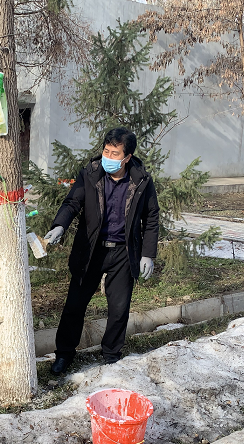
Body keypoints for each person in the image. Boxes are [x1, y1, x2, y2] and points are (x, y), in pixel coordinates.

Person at [44, 127, 159, 375]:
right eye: (106, 150)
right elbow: (73, 201)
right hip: (91, 250)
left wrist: (148, 254)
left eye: (114, 153)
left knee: (119, 308)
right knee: (75, 305)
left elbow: (151, 217)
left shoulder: (141, 180)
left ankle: (111, 356)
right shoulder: (92, 173)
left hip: (123, 253)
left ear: (127, 157)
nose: (108, 156)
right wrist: (59, 226)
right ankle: (64, 354)